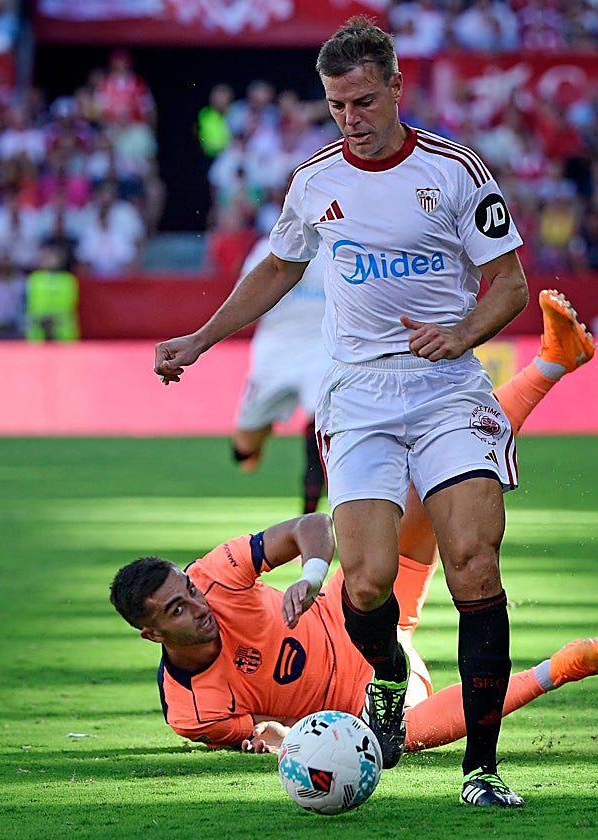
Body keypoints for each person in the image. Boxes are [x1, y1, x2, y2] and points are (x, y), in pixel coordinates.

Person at [153, 17, 537, 806]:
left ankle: (483, 769)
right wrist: (200, 336)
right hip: (358, 398)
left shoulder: (458, 172)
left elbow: (509, 285)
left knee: (474, 564)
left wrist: (459, 333)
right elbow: (277, 270)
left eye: (363, 100)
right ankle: (389, 681)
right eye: (336, 106)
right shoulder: (316, 181)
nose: (351, 119)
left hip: (446, 391)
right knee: (364, 587)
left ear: (397, 87)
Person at [116, 310, 598, 760]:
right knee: (395, 734)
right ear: (151, 633)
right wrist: (275, 736)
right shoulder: (193, 712)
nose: (198, 605)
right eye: (177, 609)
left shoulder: (214, 577)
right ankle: (556, 671)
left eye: (189, 591)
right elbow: (273, 733)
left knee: (447, 470)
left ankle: (553, 360)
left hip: (351, 604)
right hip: (362, 697)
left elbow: (310, 526)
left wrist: (310, 576)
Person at [229, 235, 329, 514]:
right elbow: (246, 296)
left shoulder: (341, 242)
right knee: (244, 453)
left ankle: (309, 514)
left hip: (322, 345)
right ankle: (266, 424)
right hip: (276, 351)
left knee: (319, 424)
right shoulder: (268, 246)